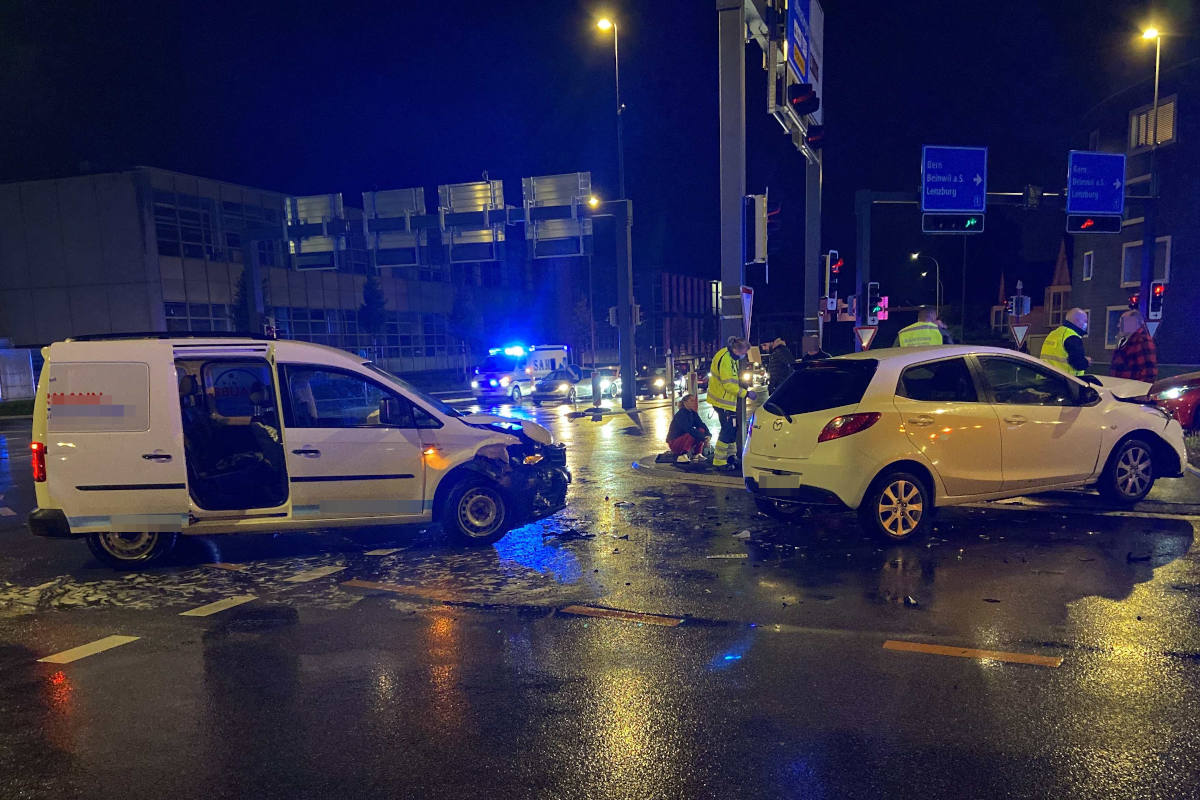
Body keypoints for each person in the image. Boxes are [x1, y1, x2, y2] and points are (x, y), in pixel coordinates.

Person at [707, 335, 756, 469]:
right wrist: (746, 393)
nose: (744, 355)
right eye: (744, 352)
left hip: (726, 401)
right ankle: (719, 461)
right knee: (728, 429)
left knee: (732, 429)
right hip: (722, 401)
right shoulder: (726, 359)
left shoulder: (729, 356)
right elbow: (728, 384)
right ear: (737, 350)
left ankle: (730, 457)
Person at [1039, 307, 1091, 376]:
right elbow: (1078, 363)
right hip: (1063, 380)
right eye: (1085, 321)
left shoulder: (1054, 333)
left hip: (1045, 378)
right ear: (1077, 321)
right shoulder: (1072, 336)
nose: (1086, 324)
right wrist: (1087, 362)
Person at [1110, 309, 1158, 383]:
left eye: (1122, 322)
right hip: (1123, 387)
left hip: (1131, 388)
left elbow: (1149, 373)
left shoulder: (1142, 340)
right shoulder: (1127, 341)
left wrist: (1138, 388)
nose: (1118, 326)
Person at [665, 393, 711, 462]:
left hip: (684, 439)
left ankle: (697, 454)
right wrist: (703, 438)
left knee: (701, 430)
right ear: (685, 402)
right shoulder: (681, 414)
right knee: (692, 433)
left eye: (694, 401)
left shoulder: (693, 413)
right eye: (691, 400)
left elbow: (701, 425)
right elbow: (688, 429)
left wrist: (708, 435)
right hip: (674, 442)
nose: (694, 402)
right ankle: (682, 455)